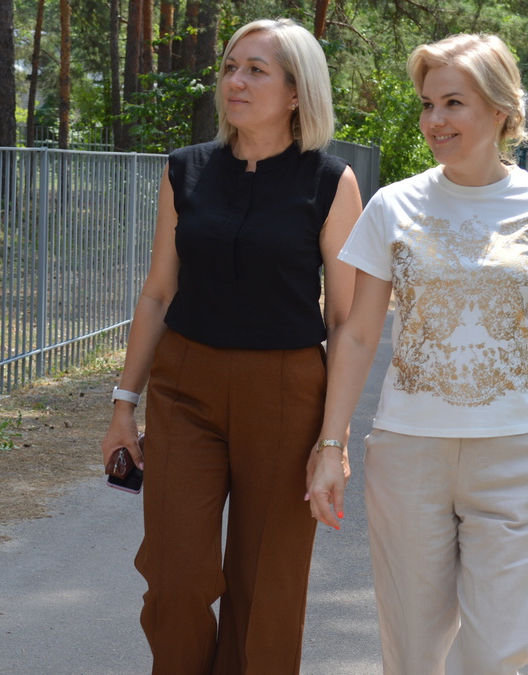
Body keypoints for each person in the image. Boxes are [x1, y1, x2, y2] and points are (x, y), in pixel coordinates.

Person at [306, 33, 528, 674]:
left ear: (501, 110)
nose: (434, 120)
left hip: (515, 458)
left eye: (453, 103)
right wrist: (331, 445)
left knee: (496, 653)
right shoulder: (393, 205)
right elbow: (358, 334)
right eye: (428, 104)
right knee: (414, 654)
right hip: (407, 454)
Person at [99, 17, 362, 675]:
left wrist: (333, 441)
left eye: (255, 70)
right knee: (176, 572)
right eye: (229, 68)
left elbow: (347, 321)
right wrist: (124, 405)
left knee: (268, 586)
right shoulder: (185, 170)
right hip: (185, 386)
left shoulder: (330, 183)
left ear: (297, 92)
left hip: (287, 391)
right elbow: (159, 293)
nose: (235, 82)